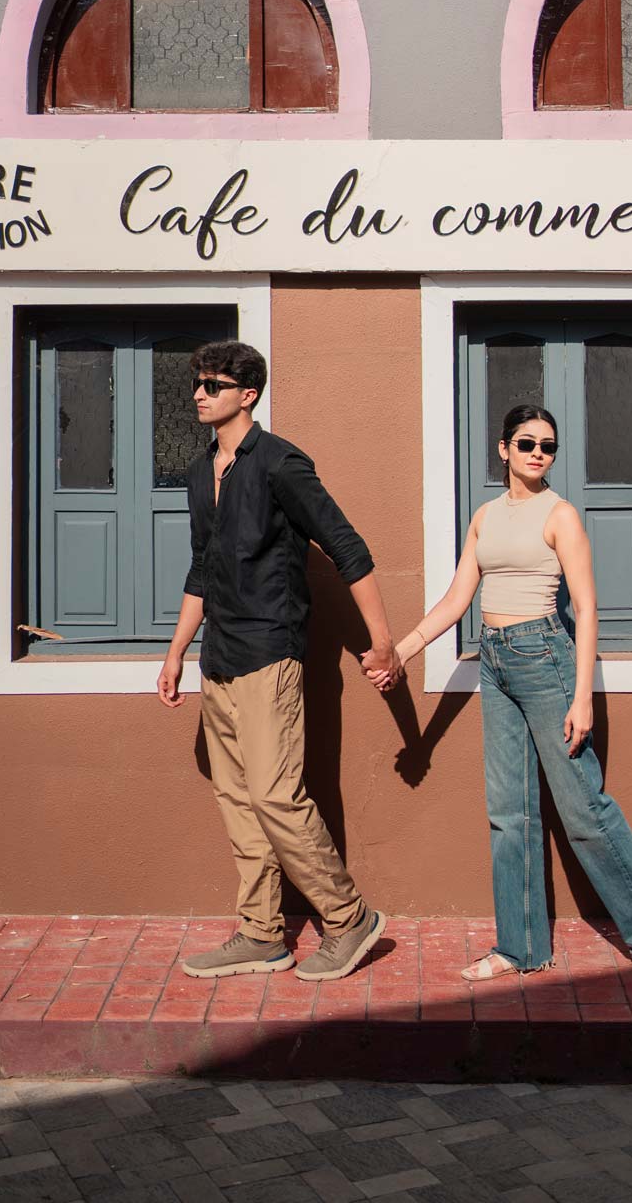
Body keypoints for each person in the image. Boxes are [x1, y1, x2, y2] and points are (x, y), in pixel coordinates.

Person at [364, 403, 632, 983]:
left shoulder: (559, 515)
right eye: (528, 443)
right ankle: (521, 947)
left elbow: (586, 608)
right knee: (509, 813)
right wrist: (401, 652)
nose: (539, 453)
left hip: (545, 660)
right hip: (495, 660)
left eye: (548, 446)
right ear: (504, 449)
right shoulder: (485, 517)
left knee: (583, 808)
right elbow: (457, 598)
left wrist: (583, 697)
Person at [157, 340, 400, 982]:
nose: (200, 393)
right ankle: (262, 934)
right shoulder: (199, 471)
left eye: (213, 384)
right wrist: (177, 652)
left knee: (274, 796)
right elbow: (202, 569)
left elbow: (347, 546)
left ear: (248, 394)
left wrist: (382, 643)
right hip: (218, 658)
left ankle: (348, 918)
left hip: (270, 653)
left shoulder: (280, 462)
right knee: (238, 803)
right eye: (197, 383)